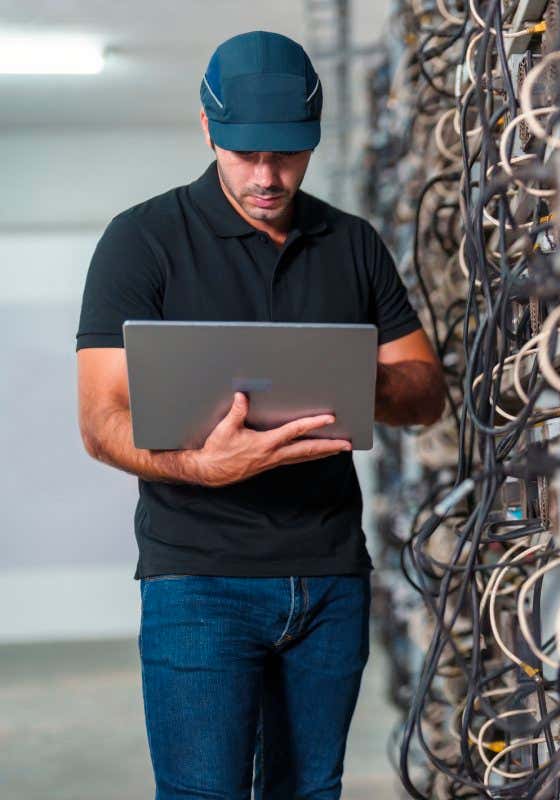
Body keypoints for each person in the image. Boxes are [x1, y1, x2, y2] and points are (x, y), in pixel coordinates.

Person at [74, 31, 444, 799]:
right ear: (208, 130)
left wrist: (355, 385)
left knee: (310, 791)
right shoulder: (142, 242)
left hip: (330, 575)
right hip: (199, 580)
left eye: (288, 154)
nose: (268, 177)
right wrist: (200, 468)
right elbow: (102, 419)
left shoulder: (351, 244)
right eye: (247, 155)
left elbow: (425, 388)